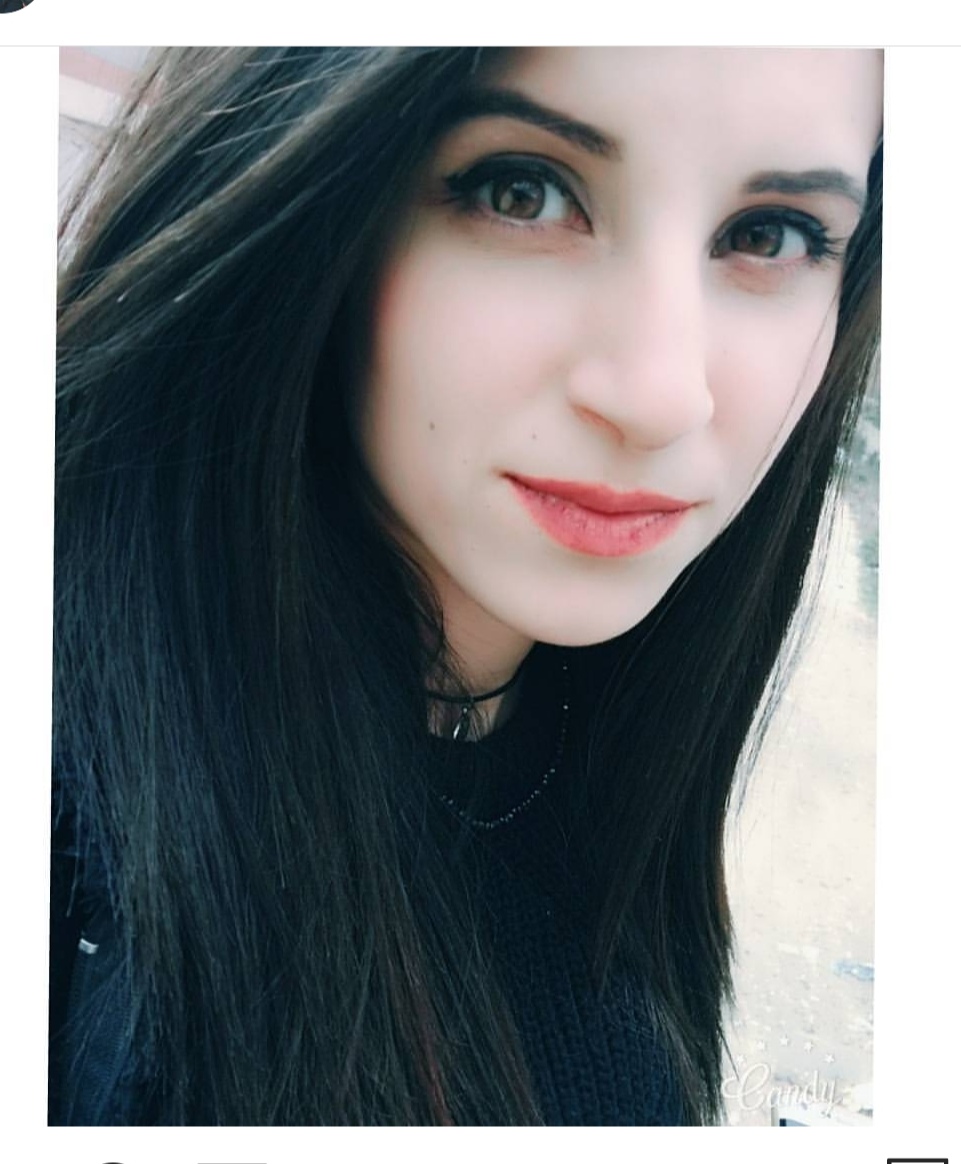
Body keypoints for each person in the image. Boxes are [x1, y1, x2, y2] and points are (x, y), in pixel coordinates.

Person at [51, 47, 883, 1126]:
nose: (661, 395)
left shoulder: (619, 751)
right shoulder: (78, 824)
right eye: (520, 191)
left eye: (770, 235)